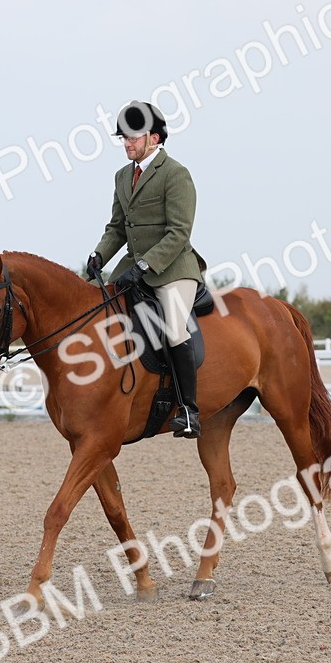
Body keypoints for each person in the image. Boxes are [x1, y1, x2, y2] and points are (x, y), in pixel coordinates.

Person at [88, 100, 205, 439]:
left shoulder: (175, 173)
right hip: (132, 267)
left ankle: (188, 410)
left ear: (154, 138)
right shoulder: (123, 176)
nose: (127, 143)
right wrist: (99, 255)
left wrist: (143, 265)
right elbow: (117, 228)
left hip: (173, 269)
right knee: (99, 312)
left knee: (173, 328)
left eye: (133, 138)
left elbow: (179, 232)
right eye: (123, 138)